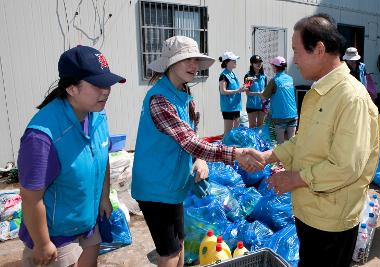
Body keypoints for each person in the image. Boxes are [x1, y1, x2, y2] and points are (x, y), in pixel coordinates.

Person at [131, 36, 265, 267]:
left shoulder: (184, 93)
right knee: (168, 253)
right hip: (156, 185)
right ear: (170, 64)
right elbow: (189, 142)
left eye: (196, 60)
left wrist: (200, 159)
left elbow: (192, 133)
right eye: (187, 60)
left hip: (174, 183)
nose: (194, 65)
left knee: (179, 243)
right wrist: (236, 154)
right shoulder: (159, 99)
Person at [262, 14, 380, 267]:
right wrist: (268, 156)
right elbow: (303, 141)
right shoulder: (318, 91)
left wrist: (292, 179)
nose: (294, 60)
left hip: (331, 220)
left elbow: (346, 167)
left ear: (319, 49)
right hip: (310, 211)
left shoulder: (351, 98)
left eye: (296, 51)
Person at [18, 45, 126, 266]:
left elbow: (102, 155)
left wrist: (104, 196)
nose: (106, 90)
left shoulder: (97, 114)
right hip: (55, 236)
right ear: (71, 88)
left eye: (107, 83)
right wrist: (42, 243)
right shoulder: (42, 137)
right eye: (97, 84)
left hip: (87, 224)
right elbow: (31, 197)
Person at [262, 56, 298, 144]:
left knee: (280, 144)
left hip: (280, 116)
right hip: (293, 115)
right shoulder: (290, 79)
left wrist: (257, 93)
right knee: (292, 143)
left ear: (275, 67)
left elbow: (264, 96)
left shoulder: (274, 80)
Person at [218, 51, 248, 134]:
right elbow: (223, 91)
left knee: (235, 132)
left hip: (236, 106)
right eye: (233, 60)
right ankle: (224, 146)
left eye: (235, 59)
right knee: (228, 133)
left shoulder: (232, 74)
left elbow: (235, 88)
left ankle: (233, 147)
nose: (235, 61)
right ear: (227, 62)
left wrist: (243, 87)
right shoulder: (223, 75)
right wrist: (238, 90)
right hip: (228, 107)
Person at [244, 55, 267, 128]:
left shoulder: (263, 76)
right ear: (251, 64)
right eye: (256, 62)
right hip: (252, 105)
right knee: (252, 127)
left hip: (262, 105)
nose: (258, 64)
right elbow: (247, 93)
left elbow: (265, 89)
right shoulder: (249, 76)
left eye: (260, 62)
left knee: (261, 127)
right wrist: (258, 94)